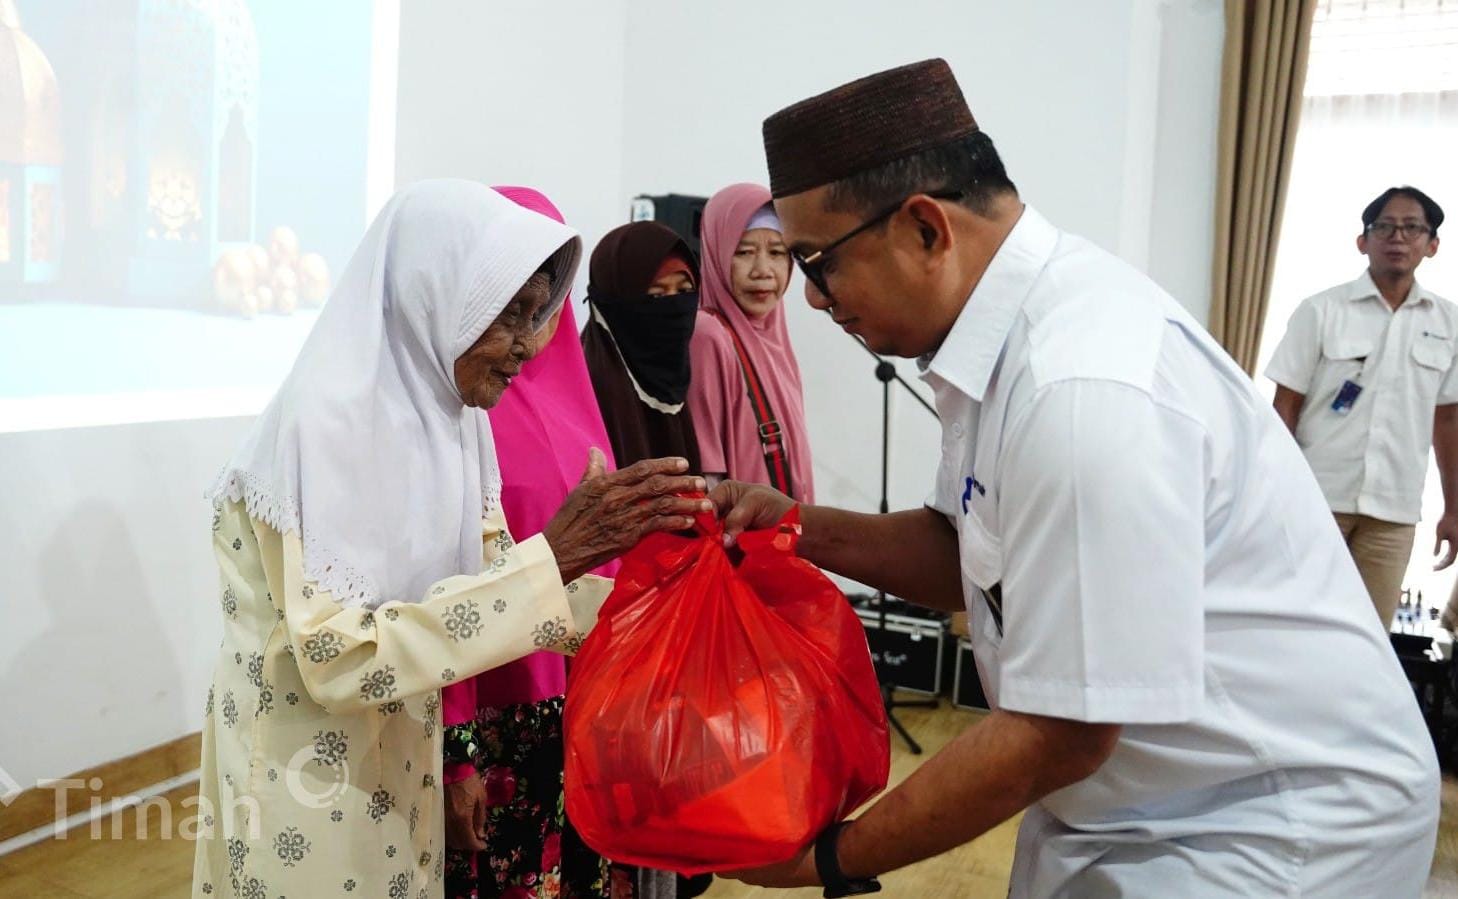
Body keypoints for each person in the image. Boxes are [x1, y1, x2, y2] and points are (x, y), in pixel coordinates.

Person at [712, 59, 1439, 898]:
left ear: (924, 230)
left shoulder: (1080, 389)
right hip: (1144, 800)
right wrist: (796, 524)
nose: (810, 298)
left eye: (816, 261)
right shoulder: (1003, 336)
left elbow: (1064, 728)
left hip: (1266, 823)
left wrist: (833, 857)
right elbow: (971, 547)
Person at [191, 180, 708, 899]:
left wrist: (652, 609)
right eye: (511, 317)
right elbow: (338, 660)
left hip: (403, 759)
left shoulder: (455, 419)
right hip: (304, 778)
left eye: (538, 314)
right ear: (438, 297)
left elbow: (486, 573)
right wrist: (554, 555)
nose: (530, 346)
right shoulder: (324, 427)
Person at [440, 186, 627, 899]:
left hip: (579, 713)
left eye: (545, 303)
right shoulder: (460, 409)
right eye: (511, 298)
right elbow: (441, 589)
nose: (531, 327)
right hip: (491, 717)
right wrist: (459, 758)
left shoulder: (574, 397)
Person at [1266, 186, 1456, 628]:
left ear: (1432, 246)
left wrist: (1454, 509)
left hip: (1393, 513)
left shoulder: (1449, 324)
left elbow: (1448, 421)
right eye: (1384, 227)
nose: (1398, 237)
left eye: (1412, 228)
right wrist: (1276, 491)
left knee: (1368, 641)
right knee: (1298, 626)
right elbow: (1284, 408)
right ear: (1362, 241)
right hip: (1316, 502)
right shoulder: (1321, 310)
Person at [687, 183, 814, 501]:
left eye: (777, 252)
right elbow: (707, 474)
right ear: (716, 254)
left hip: (785, 537)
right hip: (743, 539)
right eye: (743, 252)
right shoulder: (708, 335)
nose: (763, 271)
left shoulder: (775, 338)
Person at [581, 222, 703, 470]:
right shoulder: (591, 385)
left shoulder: (671, 378)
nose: (675, 306)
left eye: (684, 291)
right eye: (656, 295)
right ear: (612, 302)